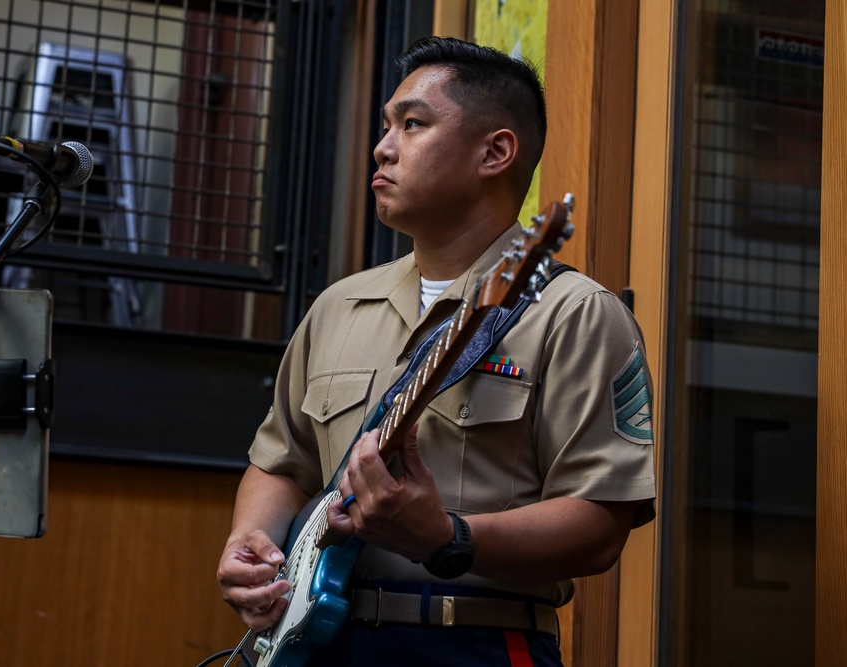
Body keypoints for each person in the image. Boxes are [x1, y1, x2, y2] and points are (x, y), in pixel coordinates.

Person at [216, 36, 655, 666]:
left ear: (496, 152)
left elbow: (601, 522)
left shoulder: (575, 314)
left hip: (473, 641)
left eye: (413, 123)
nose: (382, 146)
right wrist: (250, 541)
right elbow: (283, 462)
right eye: (387, 124)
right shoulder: (339, 306)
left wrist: (449, 537)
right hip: (313, 641)